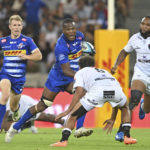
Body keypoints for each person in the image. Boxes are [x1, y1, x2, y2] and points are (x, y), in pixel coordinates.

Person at [5, 18, 94, 143]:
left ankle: (79, 128)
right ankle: (15, 127)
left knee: (82, 94)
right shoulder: (60, 46)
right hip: (57, 78)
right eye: (68, 29)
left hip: (70, 79)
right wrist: (82, 75)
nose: (71, 31)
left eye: (73, 28)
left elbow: (81, 50)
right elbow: (65, 70)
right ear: (63, 30)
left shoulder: (80, 36)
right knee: (43, 105)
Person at [50, 56, 136, 147]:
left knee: (73, 115)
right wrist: (112, 118)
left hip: (97, 93)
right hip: (116, 91)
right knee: (125, 107)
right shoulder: (104, 71)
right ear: (93, 65)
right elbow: (116, 103)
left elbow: (79, 91)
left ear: (80, 66)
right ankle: (127, 137)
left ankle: (63, 141)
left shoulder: (80, 72)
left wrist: (68, 111)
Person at [0, 15, 42, 131]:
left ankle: (16, 111)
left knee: (13, 106)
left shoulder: (27, 41)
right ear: (10, 27)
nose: (16, 27)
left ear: (22, 27)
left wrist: (27, 56)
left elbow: (39, 56)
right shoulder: (3, 41)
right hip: (5, 75)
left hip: (19, 79)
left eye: (19, 25)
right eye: (14, 25)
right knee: (5, 96)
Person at [111, 16, 150, 141]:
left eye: (147, 25)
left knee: (147, 109)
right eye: (143, 24)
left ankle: (144, 106)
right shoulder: (135, 38)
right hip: (141, 73)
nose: (144, 26)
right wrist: (116, 65)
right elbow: (124, 52)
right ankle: (123, 130)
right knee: (133, 99)